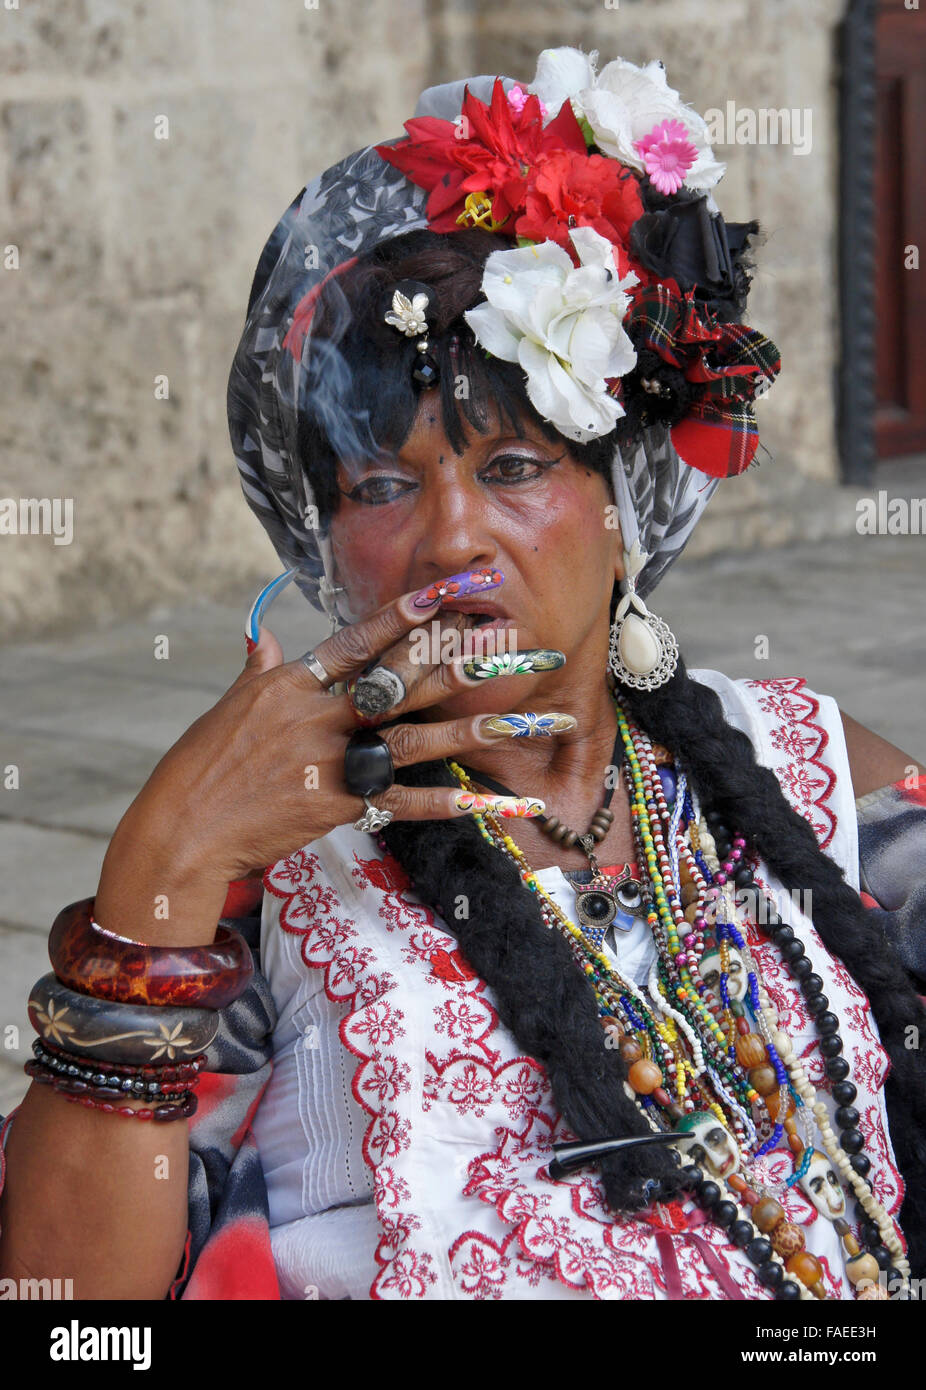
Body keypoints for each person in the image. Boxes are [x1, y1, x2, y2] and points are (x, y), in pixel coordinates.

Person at [1, 46, 925, 1303]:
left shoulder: (810, 777)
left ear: (624, 510)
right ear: (323, 546)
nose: (447, 539)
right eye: (382, 486)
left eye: (512, 469)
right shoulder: (267, 898)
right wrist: (158, 873)